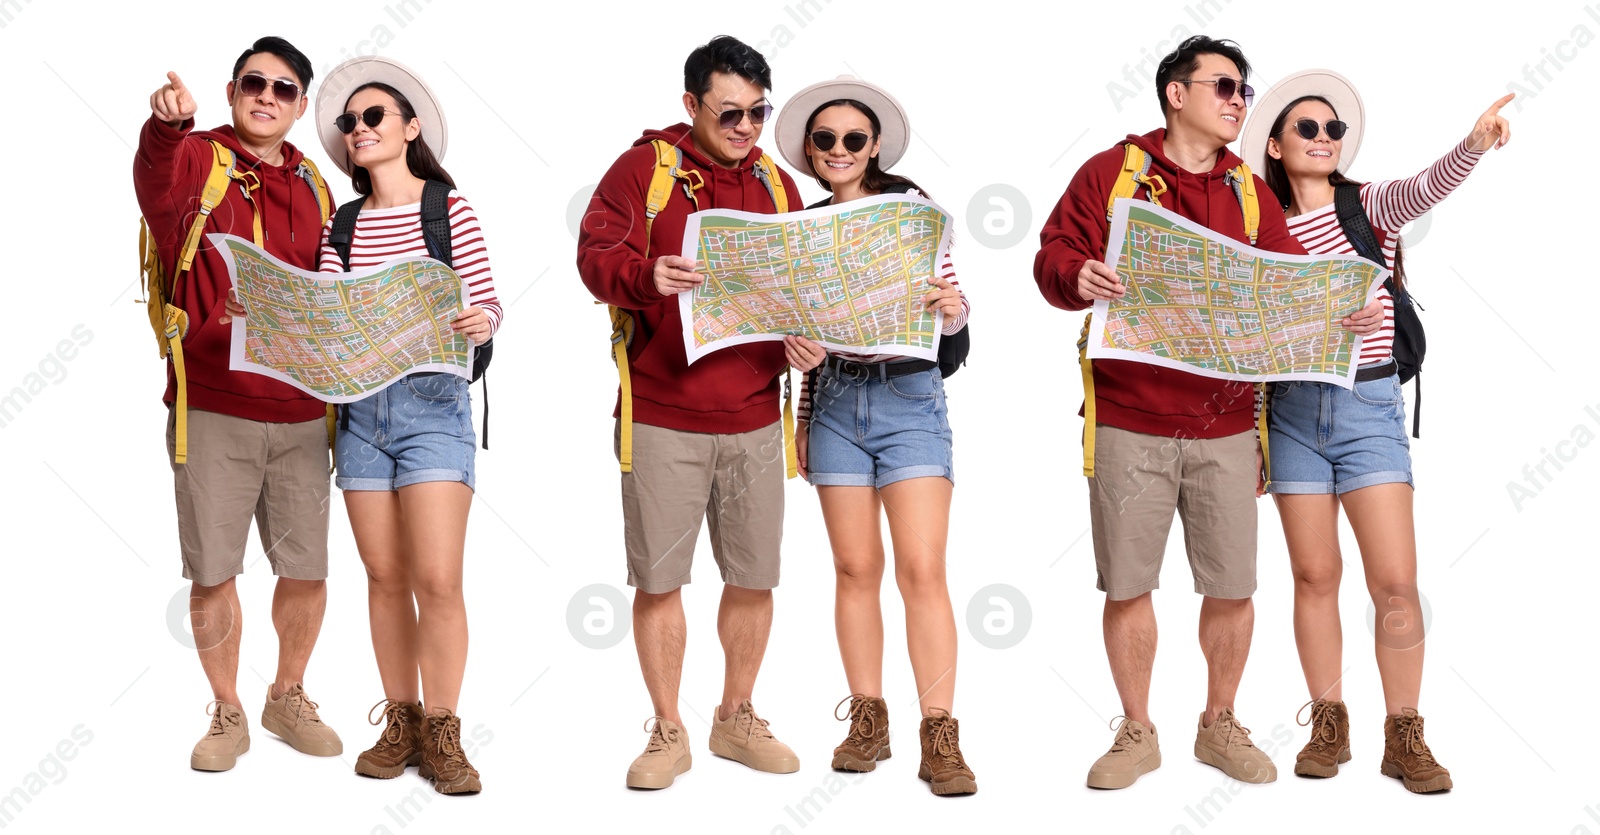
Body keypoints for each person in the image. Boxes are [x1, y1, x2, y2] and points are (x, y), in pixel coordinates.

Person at [1033, 35, 1384, 790]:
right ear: (1175, 93)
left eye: (1243, 90)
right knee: (1128, 584)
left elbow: (1292, 283)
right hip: (1128, 417)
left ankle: (1218, 722)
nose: (1238, 101)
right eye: (1224, 86)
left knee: (1231, 586)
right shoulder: (1113, 172)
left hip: (1227, 425)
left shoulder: (1251, 193)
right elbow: (1052, 253)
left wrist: (1341, 313)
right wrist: (1076, 272)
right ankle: (1136, 729)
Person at [1240, 70, 1511, 793]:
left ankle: (1405, 732)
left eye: (1334, 130)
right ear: (1274, 143)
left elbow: (1426, 186)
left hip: (1368, 407)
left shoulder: (1368, 207)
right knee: (1313, 575)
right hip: (1290, 410)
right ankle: (1329, 723)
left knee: (1395, 582)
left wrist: (1475, 143)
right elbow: (1241, 321)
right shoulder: (1255, 223)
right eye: (1308, 128)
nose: (1325, 138)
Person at [576, 35, 805, 790]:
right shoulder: (645, 169)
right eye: (730, 112)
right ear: (691, 105)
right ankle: (668, 728)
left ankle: (735, 714)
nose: (746, 127)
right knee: (659, 578)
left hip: (753, 415)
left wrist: (808, 336)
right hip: (663, 409)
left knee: (754, 575)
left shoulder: (778, 185)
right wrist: (647, 274)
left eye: (759, 113)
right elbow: (593, 256)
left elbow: (802, 286)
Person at [136, 36, 344, 773]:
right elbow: (156, 186)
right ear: (232, 92)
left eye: (284, 89)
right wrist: (168, 126)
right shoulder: (198, 158)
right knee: (215, 568)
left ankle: (287, 693)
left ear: (299, 106)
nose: (267, 95)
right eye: (254, 82)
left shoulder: (318, 185)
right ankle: (227, 708)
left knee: (308, 567)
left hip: (302, 412)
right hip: (213, 403)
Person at [770, 75, 976, 797]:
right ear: (808, 149)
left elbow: (953, 335)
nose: (838, 150)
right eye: (824, 139)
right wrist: (798, 401)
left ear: (876, 146)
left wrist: (952, 308)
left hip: (909, 398)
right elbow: (791, 328)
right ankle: (868, 718)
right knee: (854, 569)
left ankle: (940, 733)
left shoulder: (912, 210)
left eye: (853, 139)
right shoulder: (800, 223)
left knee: (922, 569)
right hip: (833, 404)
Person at [311, 56, 498, 795]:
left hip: (432, 406)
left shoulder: (448, 209)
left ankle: (446, 733)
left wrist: (480, 318)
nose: (358, 129)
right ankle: (402, 720)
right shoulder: (344, 222)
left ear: (409, 128)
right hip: (361, 410)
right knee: (384, 576)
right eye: (349, 123)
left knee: (437, 578)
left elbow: (487, 301)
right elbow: (324, 310)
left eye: (372, 117)